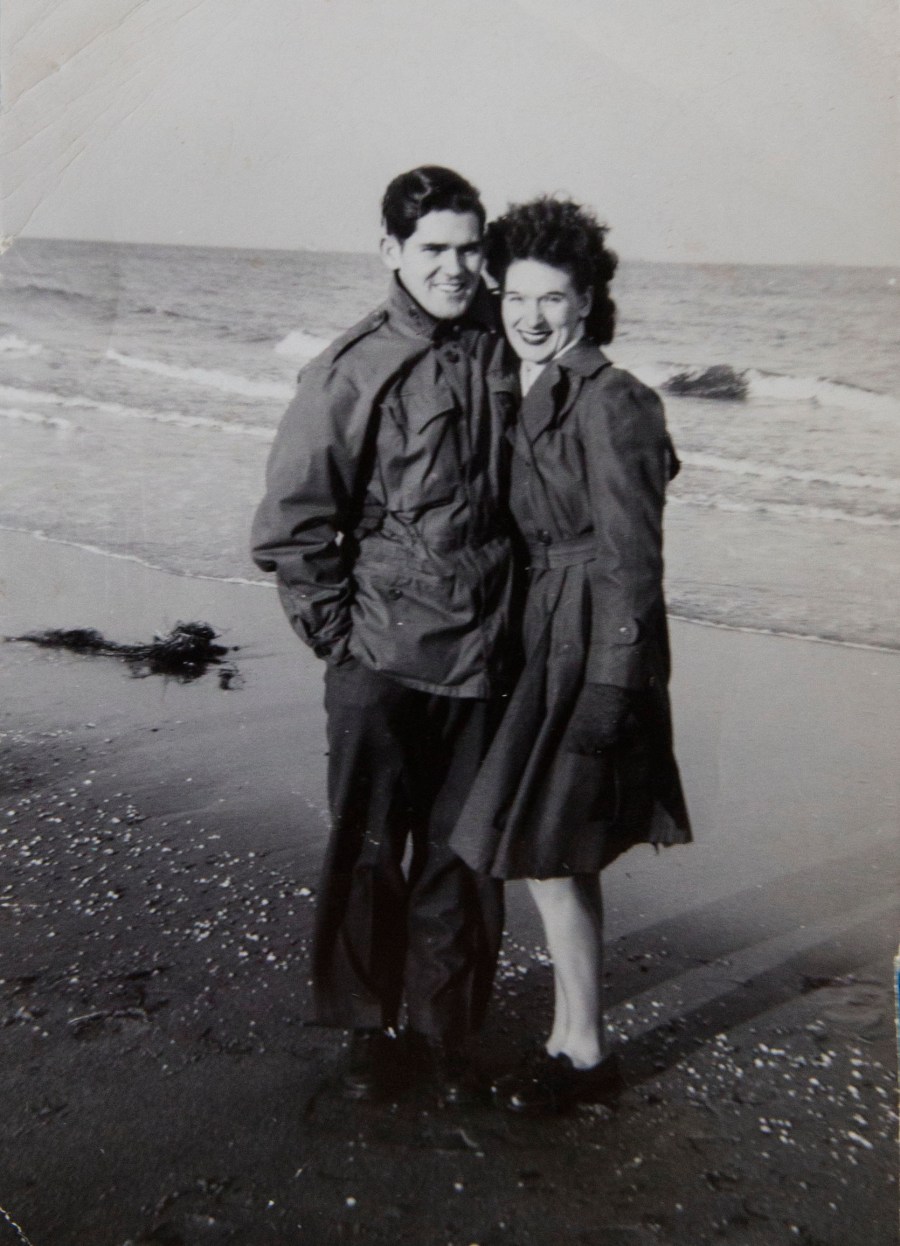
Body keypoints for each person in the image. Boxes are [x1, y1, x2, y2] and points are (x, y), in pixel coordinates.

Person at [251, 167, 517, 1105]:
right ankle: (369, 1031)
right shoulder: (352, 367)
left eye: (469, 248)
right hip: (381, 657)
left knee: (464, 852)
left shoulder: (506, 344)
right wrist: (343, 642)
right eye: (435, 249)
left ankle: (444, 1034)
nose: (455, 268)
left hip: (487, 658)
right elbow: (290, 523)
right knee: (369, 847)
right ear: (392, 253)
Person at [450, 196, 691, 1114]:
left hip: (592, 643)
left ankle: (586, 1053)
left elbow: (636, 559)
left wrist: (614, 684)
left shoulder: (614, 399)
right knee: (557, 853)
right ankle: (569, 1036)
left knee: (554, 852)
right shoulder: (535, 388)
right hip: (544, 634)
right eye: (515, 297)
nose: (531, 317)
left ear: (587, 300)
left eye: (553, 299)